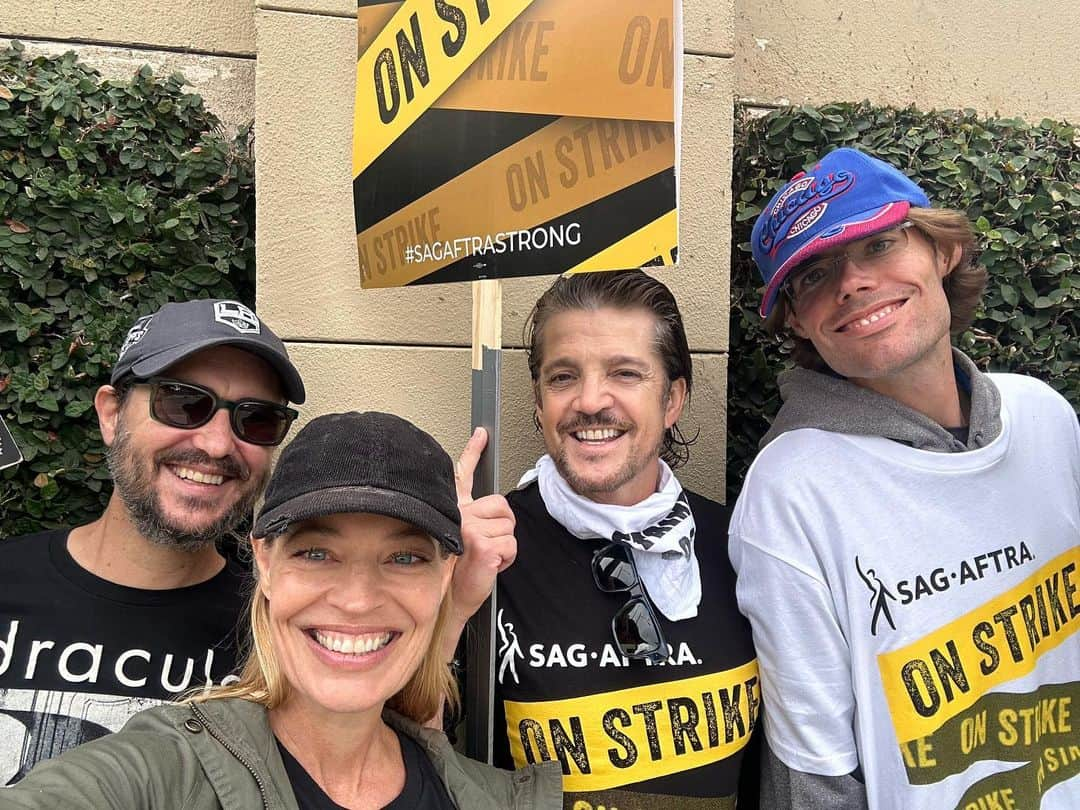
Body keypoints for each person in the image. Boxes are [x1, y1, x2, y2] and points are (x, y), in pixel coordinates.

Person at [730, 147, 1080, 809]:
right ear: (797, 320)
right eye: (812, 275)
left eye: (881, 243)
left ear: (941, 250)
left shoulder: (1047, 418)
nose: (853, 282)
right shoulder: (792, 491)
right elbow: (814, 780)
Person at [2, 411, 562, 809]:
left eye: (404, 557)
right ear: (264, 563)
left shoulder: (496, 797)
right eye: (316, 552)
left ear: (445, 576)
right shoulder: (167, 771)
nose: (357, 599)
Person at [450, 270, 760, 809]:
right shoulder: (487, 551)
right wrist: (440, 591)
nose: (592, 400)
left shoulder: (741, 548)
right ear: (539, 401)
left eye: (625, 373)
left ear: (673, 400)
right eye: (563, 377)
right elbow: (401, 749)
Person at [0, 298, 305, 784]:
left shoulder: (283, 633)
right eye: (183, 403)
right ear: (111, 415)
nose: (217, 445)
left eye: (257, 420)